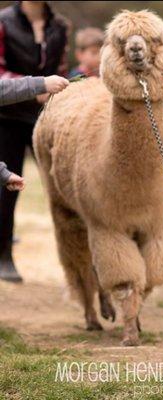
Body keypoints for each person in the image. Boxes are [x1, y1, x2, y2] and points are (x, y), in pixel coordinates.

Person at [0, 1, 70, 283]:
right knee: (7, 188)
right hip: (7, 116)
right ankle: (3, 255)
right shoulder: (3, 22)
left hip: (47, 116)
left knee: (64, 185)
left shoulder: (60, 26)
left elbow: (62, 68)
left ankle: (75, 261)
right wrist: (37, 85)